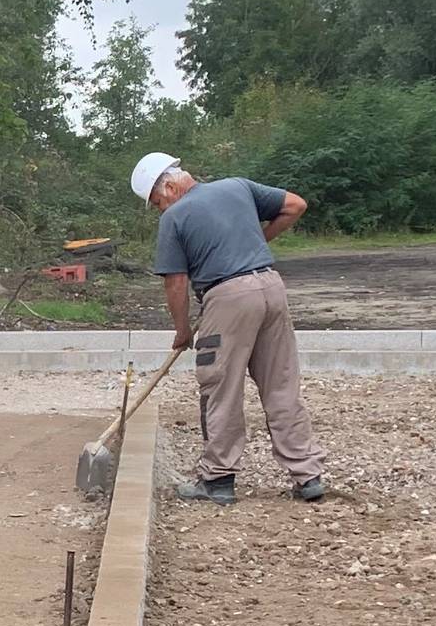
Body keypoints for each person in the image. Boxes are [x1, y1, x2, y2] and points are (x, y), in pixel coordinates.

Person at [131, 152, 330, 507]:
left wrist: (181, 331)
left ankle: (218, 479)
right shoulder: (238, 187)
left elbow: (175, 283)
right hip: (271, 287)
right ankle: (308, 476)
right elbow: (295, 205)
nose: (161, 209)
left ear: (171, 184)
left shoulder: (175, 217)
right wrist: (259, 241)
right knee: (281, 384)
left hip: (227, 298)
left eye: (158, 201)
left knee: (219, 386)